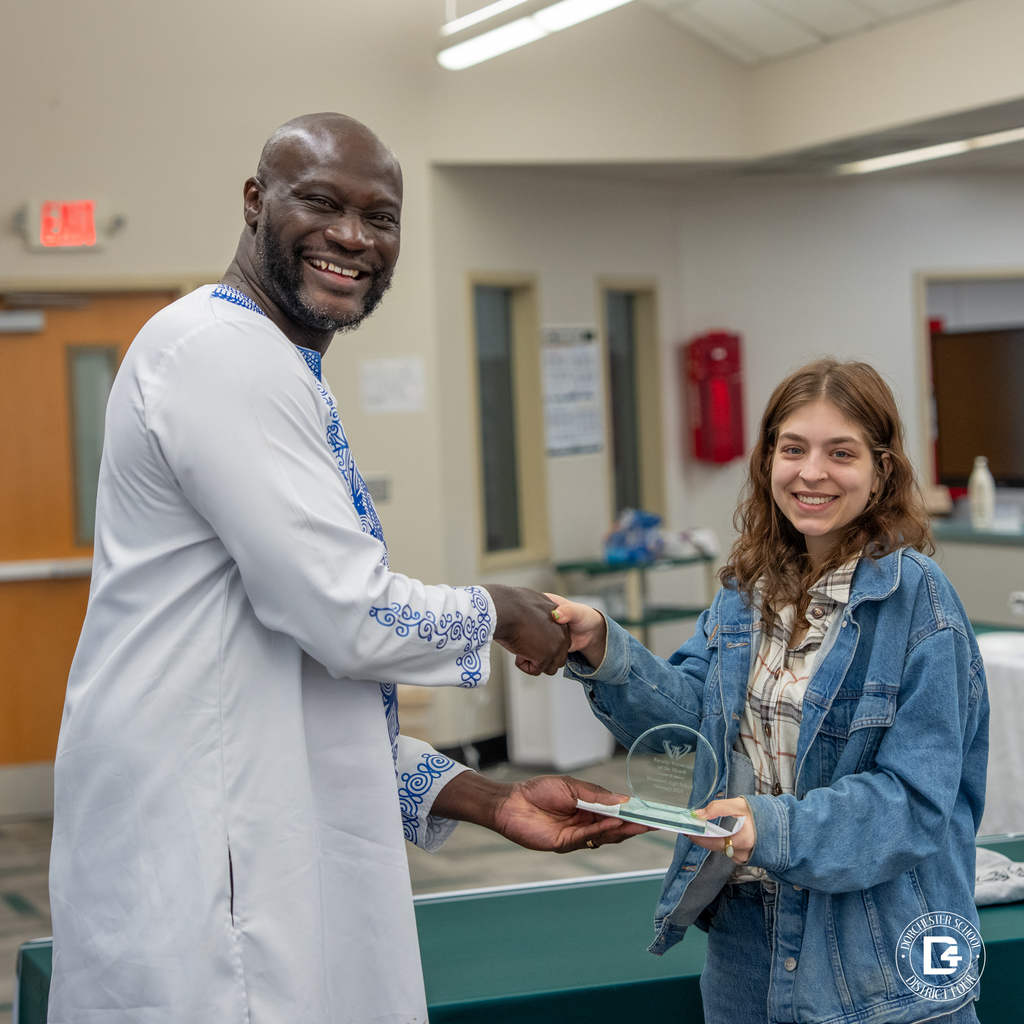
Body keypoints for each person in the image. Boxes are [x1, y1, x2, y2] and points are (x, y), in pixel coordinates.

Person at [47, 113, 644, 1024]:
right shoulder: (223, 352)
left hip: (256, 841)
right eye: (321, 203)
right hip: (214, 881)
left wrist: (493, 801)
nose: (354, 238)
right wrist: (501, 611)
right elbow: (347, 616)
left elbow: (306, 692)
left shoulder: (270, 362)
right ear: (255, 203)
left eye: (382, 216)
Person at [551, 359, 989, 1024]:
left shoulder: (919, 602)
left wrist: (775, 825)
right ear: (768, 461)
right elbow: (689, 726)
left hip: (873, 946)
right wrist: (604, 650)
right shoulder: (744, 595)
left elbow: (916, 804)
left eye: (840, 453)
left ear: (882, 471)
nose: (811, 472)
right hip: (745, 935)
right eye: (793, 449)